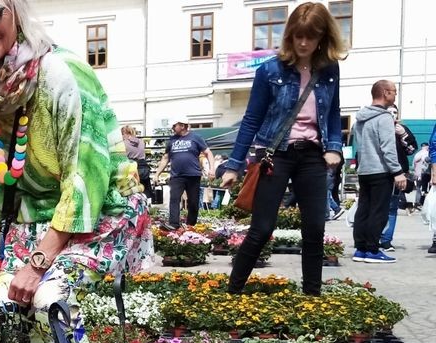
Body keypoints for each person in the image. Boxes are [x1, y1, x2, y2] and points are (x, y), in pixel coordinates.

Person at [0, 0, 153, 343]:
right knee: (4, 305)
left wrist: (37, 265)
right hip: (41, 217)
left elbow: (87, 180)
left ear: (15, 12)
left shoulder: (61, 72)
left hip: (101, 212)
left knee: (50, 298)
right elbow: (4, 185)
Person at [219, 2, 347, 292]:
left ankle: (311, 297)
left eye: (311, 36)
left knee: (315, 229)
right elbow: (251, 119)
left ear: (322, 37)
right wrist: (234, 165)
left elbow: (334, 111)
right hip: (275, 156)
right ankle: (232, 291)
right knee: (262, 229)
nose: (303, 43)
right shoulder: (270, 70)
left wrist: (335, 147)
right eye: (298, 35)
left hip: (313, 155)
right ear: (289, 34)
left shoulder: (329, 69)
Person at [350, 80, 407, 263]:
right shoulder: (383, 118)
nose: (395, 95)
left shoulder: (360, 118)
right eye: (394, 92)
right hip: (381, 170)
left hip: (365, 170)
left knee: (364, 210)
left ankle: (360, 249)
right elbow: (387, 148)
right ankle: (373, 250)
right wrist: (397, 172)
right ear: (384, 92)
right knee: (379, 211)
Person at [153, 119, 214, 229]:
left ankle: (191, 225)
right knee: (174, 199)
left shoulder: (196, 137)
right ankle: (174, 224)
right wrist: (157, 174)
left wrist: (212, 169)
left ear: (182, 126)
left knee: (193, 202)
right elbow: (166, 157)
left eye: (174, 125)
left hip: (193, 175)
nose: (172, 128)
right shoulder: (171, 140)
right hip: (176, 176)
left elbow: (208, 152)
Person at [377, 105, 416, 251]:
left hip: (398, 174)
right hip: (380, 172)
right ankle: (374, 237)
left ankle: (386, 240)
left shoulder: (401, 129)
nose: (392, 115)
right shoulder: (378, 126)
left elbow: (411, 150)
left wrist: (404, 135)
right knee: (378, 206)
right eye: (389, 112)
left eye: (395, 112)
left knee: (392, 207)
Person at [122, 125, 153, 197]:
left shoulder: (123, 144)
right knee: (144, 191)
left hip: (131, 168)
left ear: (125, 133)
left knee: (131, 192)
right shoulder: (141, 142)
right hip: (143, 167)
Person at [414, 142, 429, 209]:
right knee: (425, 189)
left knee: (418, 189)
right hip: (425, 174)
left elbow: (414, 165)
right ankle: (424, 203)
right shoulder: (427, 153)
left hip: (418, 174)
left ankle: (417, 203)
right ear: (427, 146)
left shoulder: (417, 154)